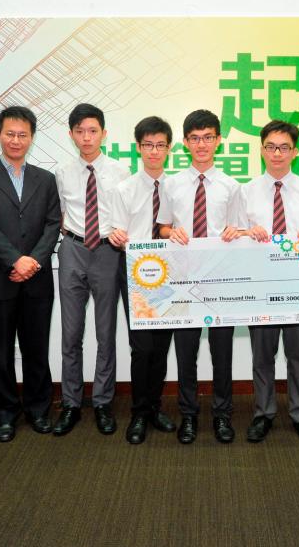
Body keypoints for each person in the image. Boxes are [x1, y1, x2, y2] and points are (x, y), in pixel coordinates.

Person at [0, 106, 62, 443]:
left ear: (32, 137)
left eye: (23, 134)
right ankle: (4, 414)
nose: (16, 140)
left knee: (36, 347)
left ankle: (38, 409)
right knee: (1, 351)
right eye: (10, 133)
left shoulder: (46, 179)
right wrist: (13, 261)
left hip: (37, 278)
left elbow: (53, 224)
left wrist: (32, 261)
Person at [157, 109, 245, 444]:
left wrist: (235, 232)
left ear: (219, 141)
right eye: (194, 138)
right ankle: (189, 415)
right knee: (186, 352)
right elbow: (162, 225)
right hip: (182, 279)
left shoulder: (231, 185)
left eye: (208, 137)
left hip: (221, 278)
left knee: (222, 352)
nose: (202, 144)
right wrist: (170, 231)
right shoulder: (172, 183)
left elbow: (239, 230)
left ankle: (223, 415)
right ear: (185, 143)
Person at [240, 120, 299, 444]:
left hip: (296, 281)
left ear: (295, 151)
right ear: (262, 149)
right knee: (262, 354)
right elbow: (232, 235)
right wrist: (248, 232)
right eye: (271, 147)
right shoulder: (246, 191)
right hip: (259, 282)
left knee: (297, 353)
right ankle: (263, 413)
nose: (277, 153)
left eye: (284, 147)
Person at [52, 103, 131, 437]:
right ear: (71, 134)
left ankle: (102, 402)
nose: (87, 137)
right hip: (71, 249)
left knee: (105, 333)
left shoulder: (120, 171)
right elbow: (56, 214)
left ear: (104, 133)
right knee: (70, 335)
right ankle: (71, 403)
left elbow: (129, 215)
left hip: (107, 252)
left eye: (93, 130)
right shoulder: (61, 172)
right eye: (80, 131)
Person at [108, 116, 177, 444]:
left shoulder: (178, 188)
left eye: (160, 145)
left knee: (161, 346)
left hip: (172, 272)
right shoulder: (124, 189)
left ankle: (154, 407)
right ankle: (138, 412)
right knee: (141, 347)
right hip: (135, 272)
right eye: (147, 145)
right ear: (138, 148)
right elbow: (114, 229)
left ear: (169, 148)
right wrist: (116, 235)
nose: (154, 151)